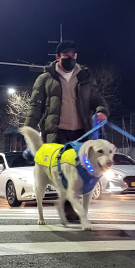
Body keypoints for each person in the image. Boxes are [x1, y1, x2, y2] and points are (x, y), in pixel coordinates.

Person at [24, 40, 109, 221]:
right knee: (60, 171)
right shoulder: (45, 79)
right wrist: (29, 128)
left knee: (80, 172)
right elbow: (35, 105)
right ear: (57, 57)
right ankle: (67, 207)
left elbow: (97, 98)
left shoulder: (84, 76)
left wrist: (101, 110)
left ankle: (72, 208)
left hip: (81, 133)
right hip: (56, 132)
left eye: (73, 55)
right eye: (66, 56)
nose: (70, 59)